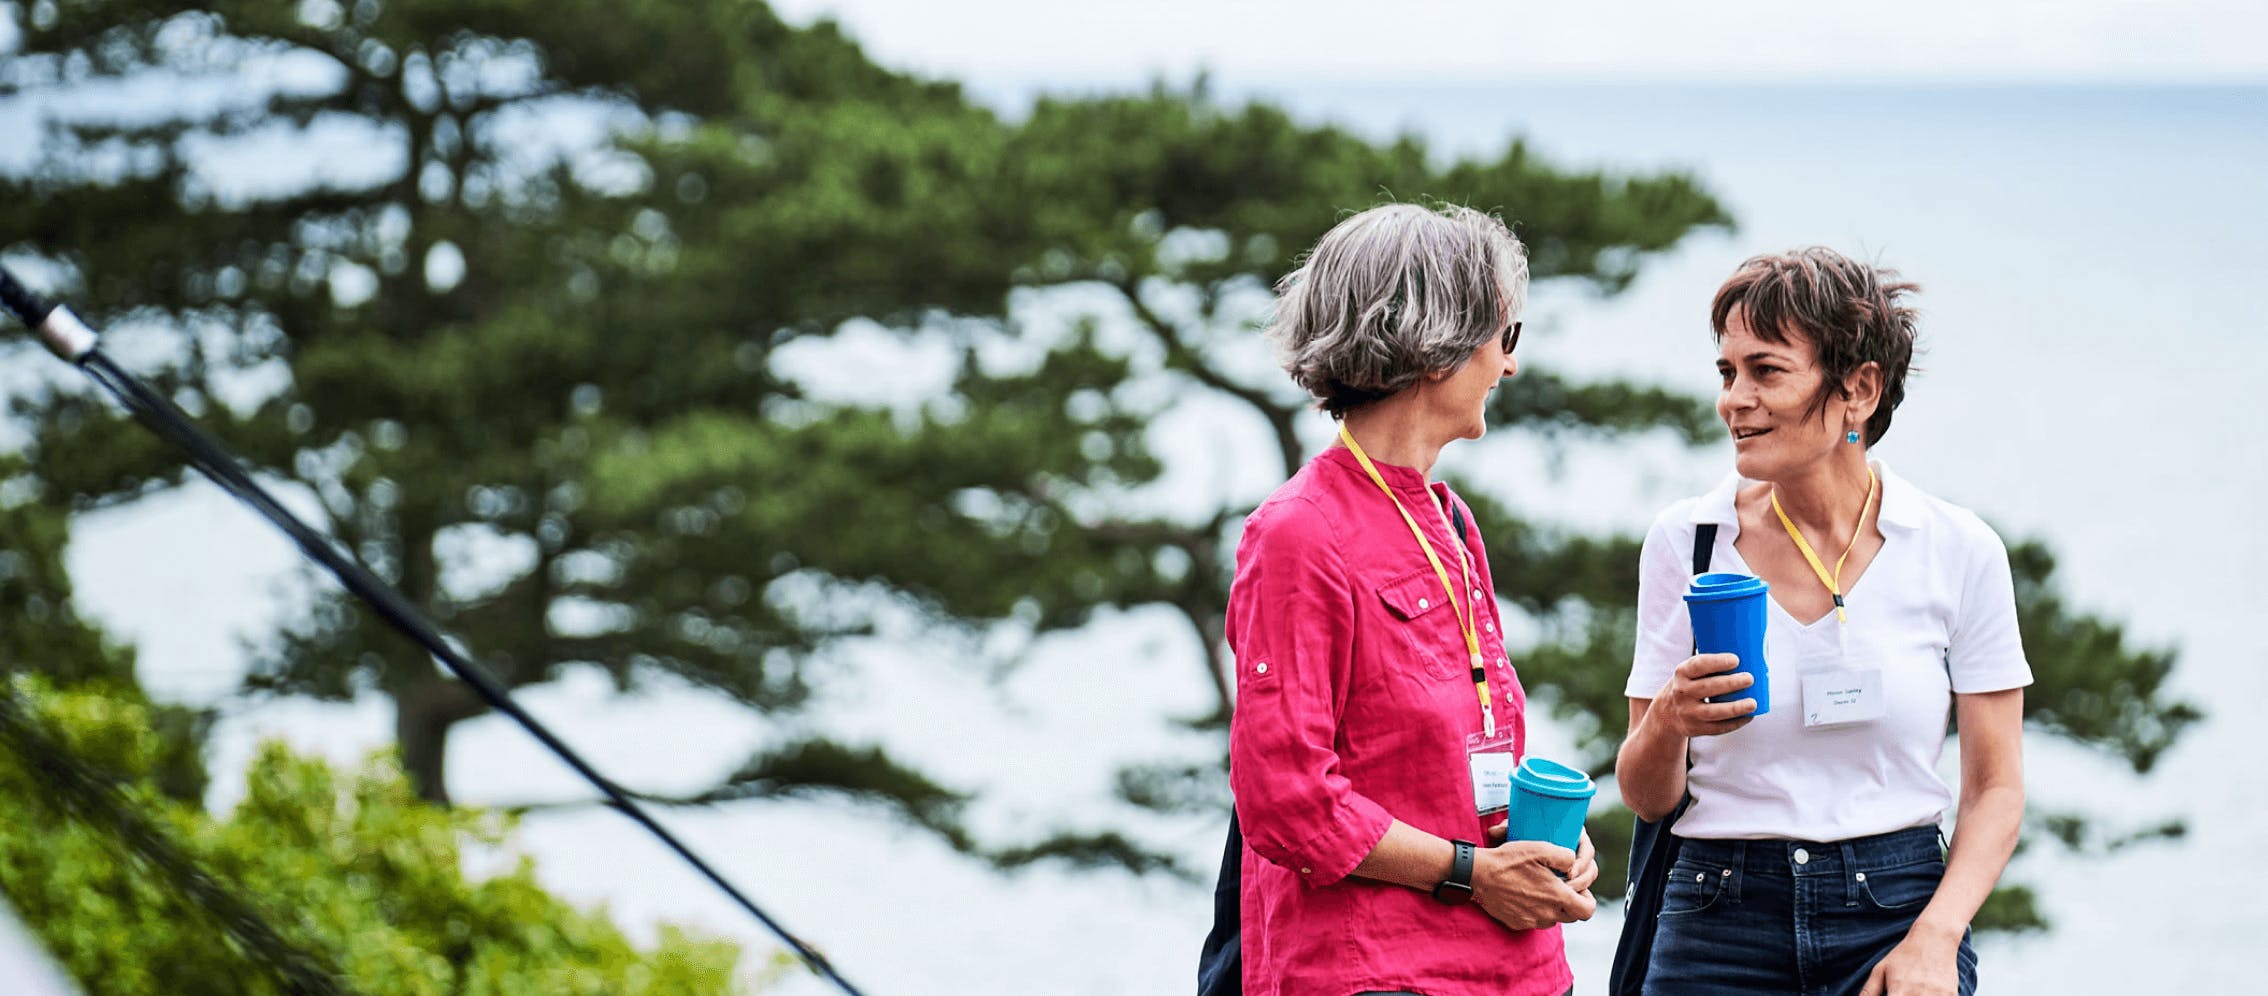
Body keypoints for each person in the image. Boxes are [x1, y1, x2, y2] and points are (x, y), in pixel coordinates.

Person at [1615, 248, 2029, 995]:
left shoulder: (1958, 549)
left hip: (1898, 912)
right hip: (1718, 916)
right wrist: (1670, 721)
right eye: (1726, 372)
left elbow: (1997, 789)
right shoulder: (1689, 541)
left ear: (1859, 390)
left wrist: (1936, 940)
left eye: (1766, 371)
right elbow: (1647, 797)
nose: (1733, 399)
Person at [1226, 202, 1596, 996]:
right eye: (1507, 336)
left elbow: (1457, 748)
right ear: (1439, 347)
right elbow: (1287, 802)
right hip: (1378, 974)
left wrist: (1547, 849)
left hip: (1516, 969)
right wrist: (1471, 873)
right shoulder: (1298, 533)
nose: (1510, 365)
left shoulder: (1451, 518)